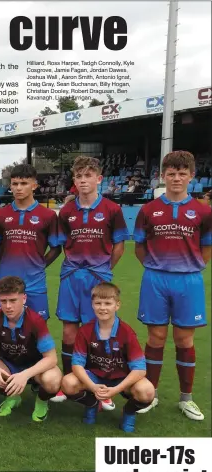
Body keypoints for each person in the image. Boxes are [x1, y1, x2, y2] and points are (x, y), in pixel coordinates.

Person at [133, 150, 211, 421]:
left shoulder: (203, 211)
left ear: (191, 176)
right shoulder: (148, 210)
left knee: (184, 339)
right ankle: (150, 393)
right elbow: (139, 247)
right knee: (155, 338)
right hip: (155, 278)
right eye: (171, 173)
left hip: (188, 280)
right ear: (162, 176)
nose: (176, 178)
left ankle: (186, 399)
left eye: (182, 173)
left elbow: (207, 248)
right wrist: (157, 267)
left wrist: (191, 268)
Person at [52, 156, 128, 409]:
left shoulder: (112, 209)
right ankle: (67, 382)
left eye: (88, 176)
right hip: (72, 276)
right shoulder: (67, 211)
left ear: (99, 179)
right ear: (74, 180)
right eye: (79, 176)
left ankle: (101, 387)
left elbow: (119, 247)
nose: (83, 180)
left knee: (99, 331)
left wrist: (105, 270)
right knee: (69, 331)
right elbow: (62, 244)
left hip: (98, 277)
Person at [62, 282, 155, 432]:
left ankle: (129, 412)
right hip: (95, 378)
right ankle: (92, 403)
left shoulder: (127, 332)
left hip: (121, 379)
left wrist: (116, 390)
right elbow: (77, 364)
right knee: (68, 383)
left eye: (107, 303)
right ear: (92, 305)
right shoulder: (85, 330)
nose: (102, 307)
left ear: (117, 305)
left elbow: (139, 369)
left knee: (147, 391)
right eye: (98, 303)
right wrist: (92, 387)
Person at [0, 276, 61, 422]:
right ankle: (12, 396)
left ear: (24, 298)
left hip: (34, 368)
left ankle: (41, 402)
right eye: (3, 301)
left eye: (13, 300)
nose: (8, 306)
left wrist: (25, 375)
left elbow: (52, 358)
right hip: (8, 365)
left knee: (52, 380)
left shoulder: (35, 321)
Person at [0, 164, 61, 320]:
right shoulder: (1, 214)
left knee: (37, 332)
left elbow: (56, 248)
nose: (18, 188)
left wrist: (40, 265)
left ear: (34, 185)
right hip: (5, 281)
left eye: (24, 183)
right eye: (15, 184)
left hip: (35, 284)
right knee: (2, 330)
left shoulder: (48, 215)